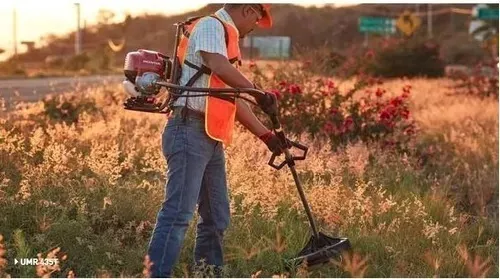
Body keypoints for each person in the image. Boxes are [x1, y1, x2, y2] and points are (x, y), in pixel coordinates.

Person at [147, 3, 286, 277]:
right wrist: (257, 92)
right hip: (188, 130)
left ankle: (208, 273)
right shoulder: (212, 26)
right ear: (247, 9)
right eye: (257, 19)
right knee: (177, 215)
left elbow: (231, 99)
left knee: (216, 218)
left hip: (209, 137)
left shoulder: (227, 40)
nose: (255, 26)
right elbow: (217, 65)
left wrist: (266, 136)